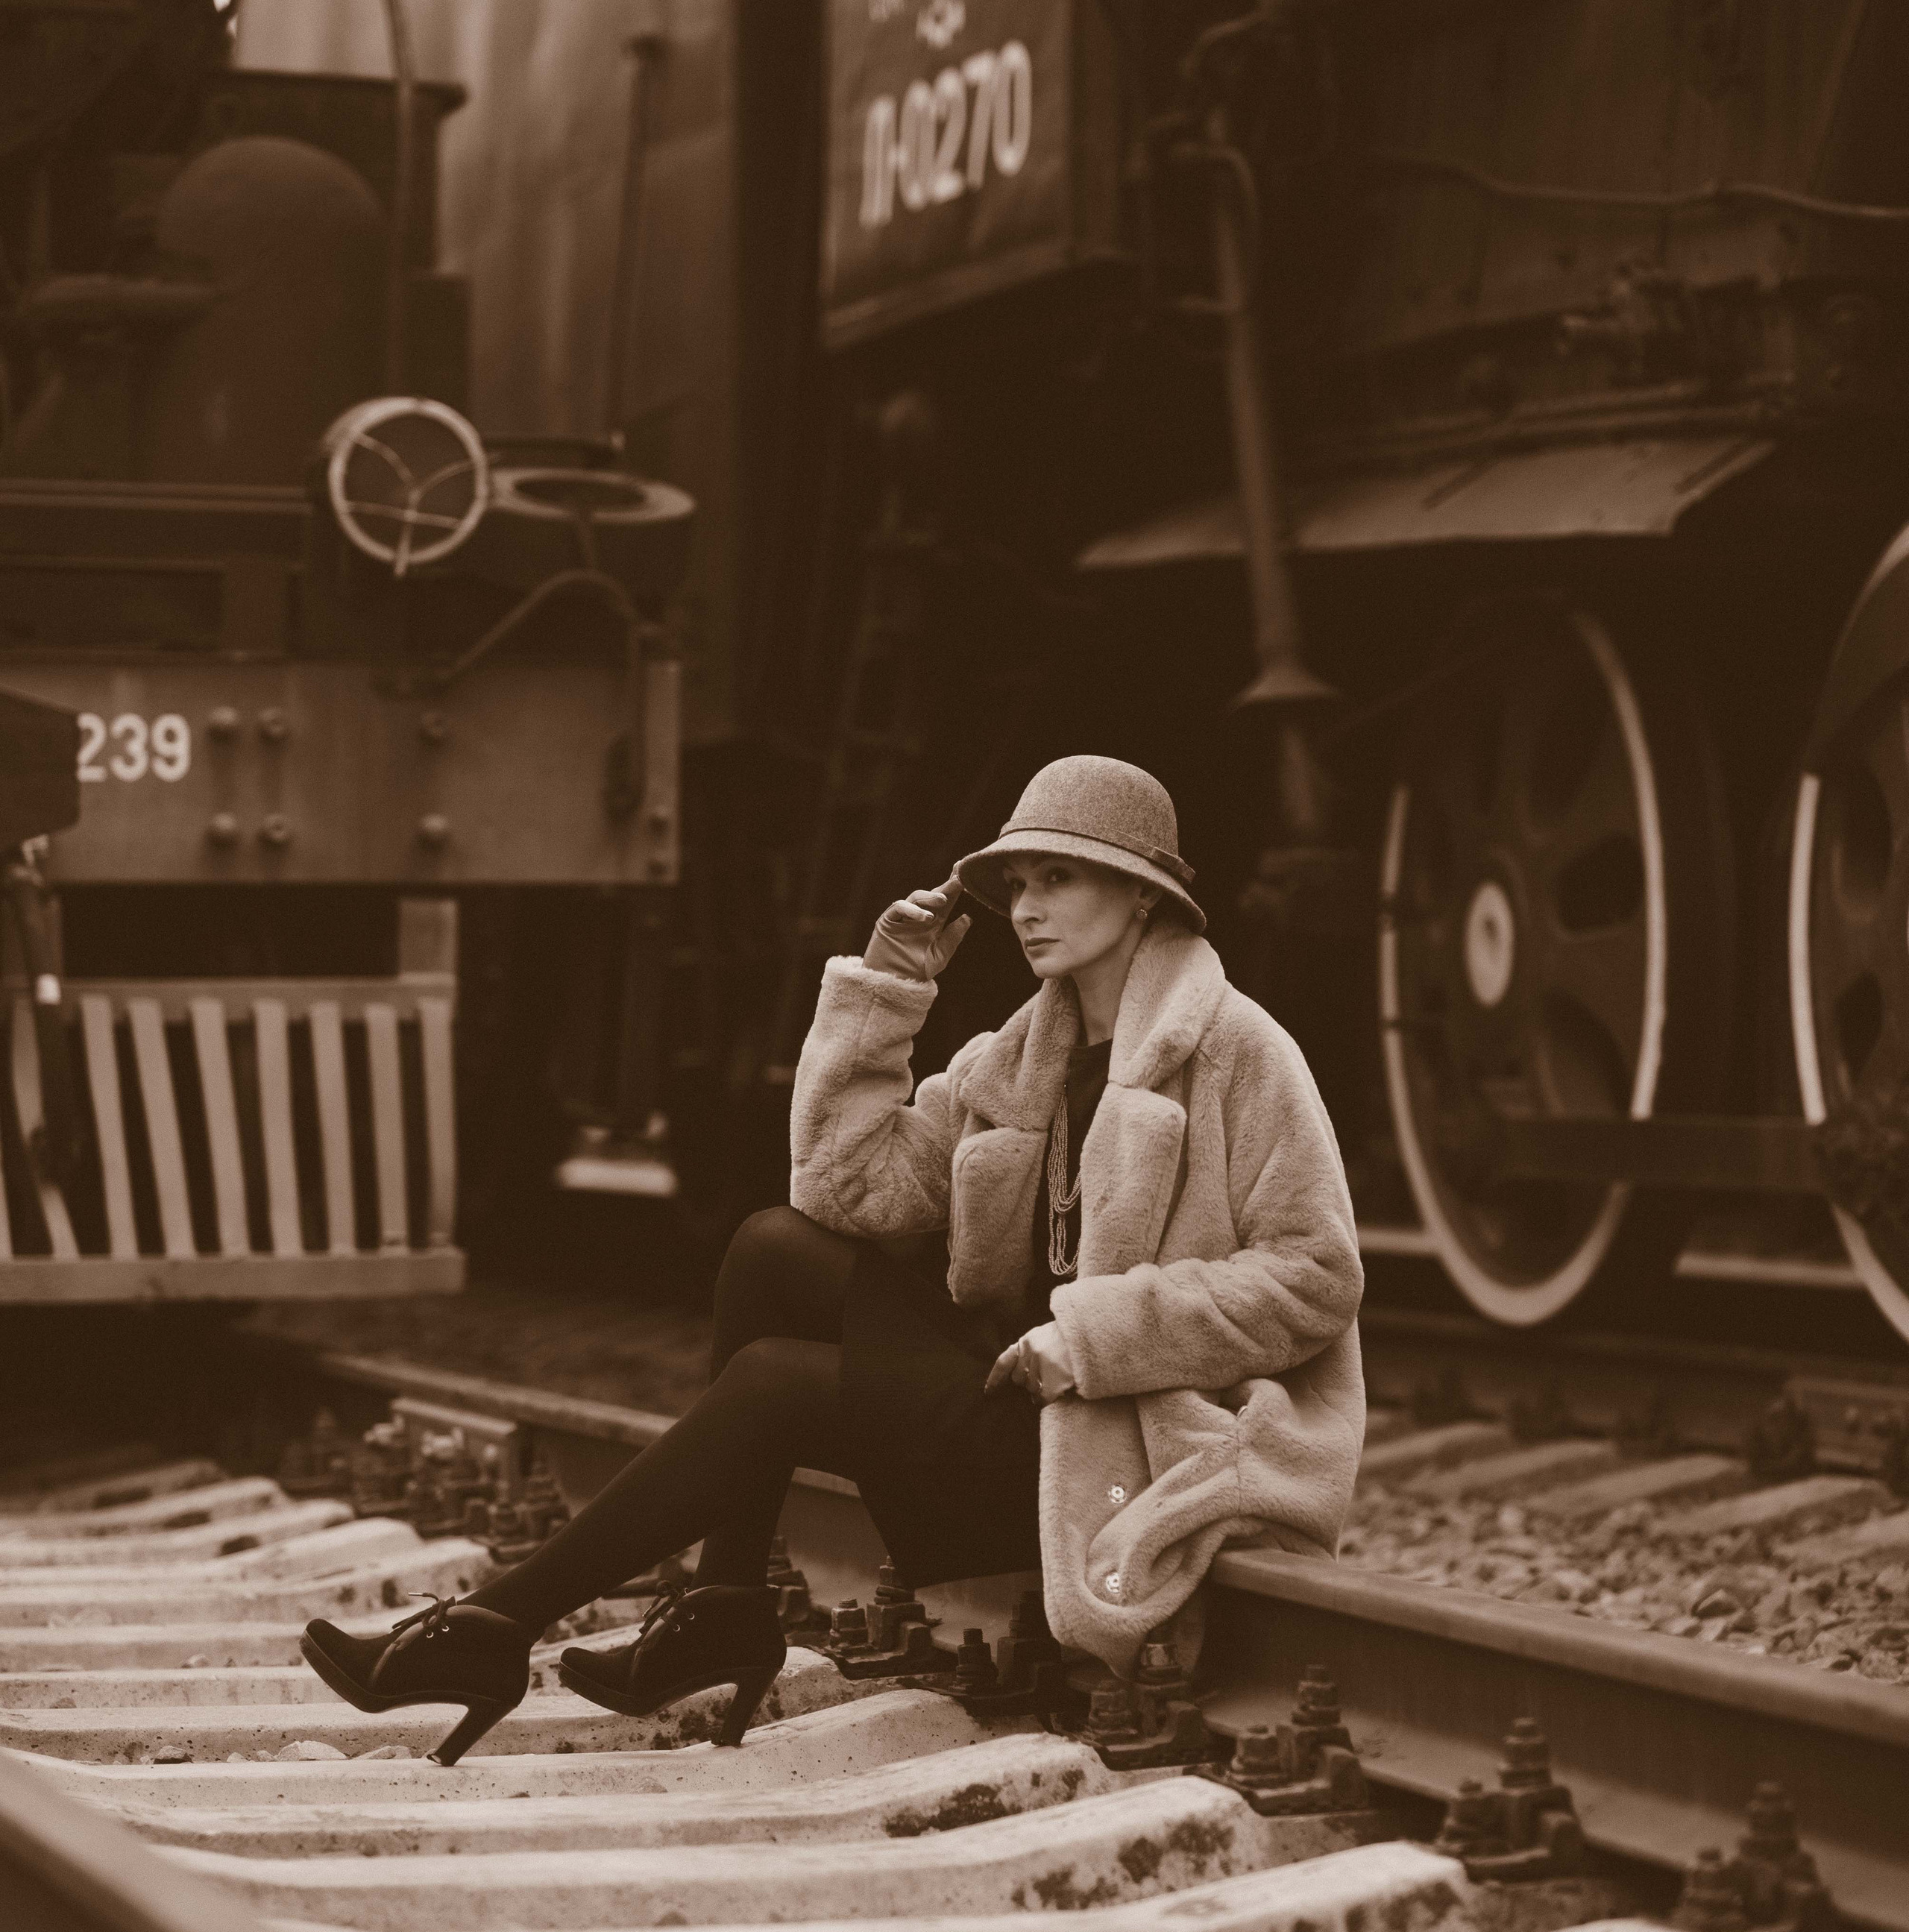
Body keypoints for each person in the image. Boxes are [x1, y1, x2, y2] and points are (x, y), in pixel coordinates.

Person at [298, 756, 1365, 1763]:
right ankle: (722, 1606)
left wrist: (1092, 1335)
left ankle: (496, 1624)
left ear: (1140, 897)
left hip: (1127, 1438)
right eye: (1017, 882)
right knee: (771, 1246)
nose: (1028, 905)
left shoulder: (1235, 1048)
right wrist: (889, 986)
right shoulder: (1022, 1054)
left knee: (776, 1383)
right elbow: (843, 1188)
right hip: (1018, 1400)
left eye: (1060, 876)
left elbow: (1317, 1276)